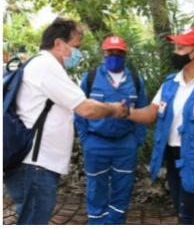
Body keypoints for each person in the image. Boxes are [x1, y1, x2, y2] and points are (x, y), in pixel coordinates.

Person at [4, 18, 130, 225]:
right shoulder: (46, 66)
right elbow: (86, 108)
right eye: (76, 47)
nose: (78, 53)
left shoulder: (40, 64)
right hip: (35, 166)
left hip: (35, 165)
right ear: (59, 44)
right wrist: (115, 109)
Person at [125, 28, 194, 224]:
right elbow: (151, 113)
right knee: (182, 210)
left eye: (180, 47)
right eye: (175, 47)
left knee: (188, 216)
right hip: (172, 157)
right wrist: (124, 112)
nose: (175, 52)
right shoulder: (170, 84)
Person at [76, 35, 148, 224]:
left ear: (125, 54)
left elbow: (143, 111)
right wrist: (85, 138)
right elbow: (78, 109)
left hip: (125, 145)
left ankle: (116, 222)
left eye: (119, 52)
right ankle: (97, 223)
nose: (114, 55)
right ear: (104, 53)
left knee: (122, 188)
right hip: (96, 143)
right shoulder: (91, 78)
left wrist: (136, 140)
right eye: (110, 52)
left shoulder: (135, 79)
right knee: (95, 188)